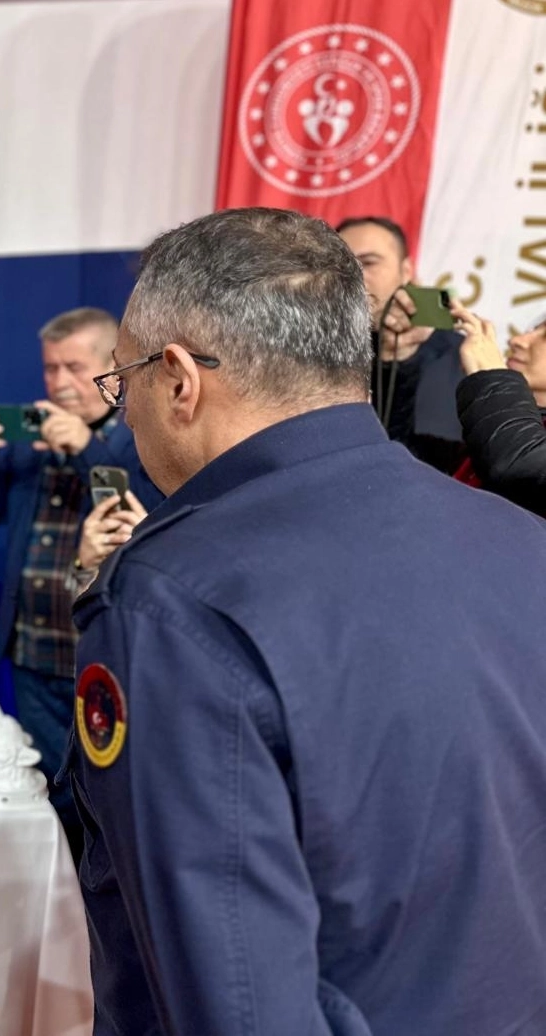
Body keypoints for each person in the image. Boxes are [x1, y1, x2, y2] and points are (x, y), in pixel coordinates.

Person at [71, 206, 546, 1035]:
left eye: (124, 381)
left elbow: (236, 1002)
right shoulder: (519, 538)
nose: (127, 413)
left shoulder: (170, 604)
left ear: (178, 379)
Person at [0, 306, 159, 856]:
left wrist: (84, 448)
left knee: (107, 790)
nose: (60, 382)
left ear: (112, 367)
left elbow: (140, 506)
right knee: (50, 787)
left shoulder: (141, 436)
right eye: (51, 368)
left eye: (74, 367)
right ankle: (61, 887)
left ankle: (99, 886)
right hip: (32, 648)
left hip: (104, 651)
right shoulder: (33, 435)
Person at [336, 216, 466, 472]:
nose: (352, 275)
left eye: (368, 262)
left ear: (406, 271)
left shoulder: (458, 355)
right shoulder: (313, 351)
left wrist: (400, 361)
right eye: (341, 264)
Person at [448, 302, 546, 515]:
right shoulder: (489, 416)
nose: (517, 340)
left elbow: (519, 466)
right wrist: (402, 357)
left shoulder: (497, 416)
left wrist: (492, 378)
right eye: (533, 329)